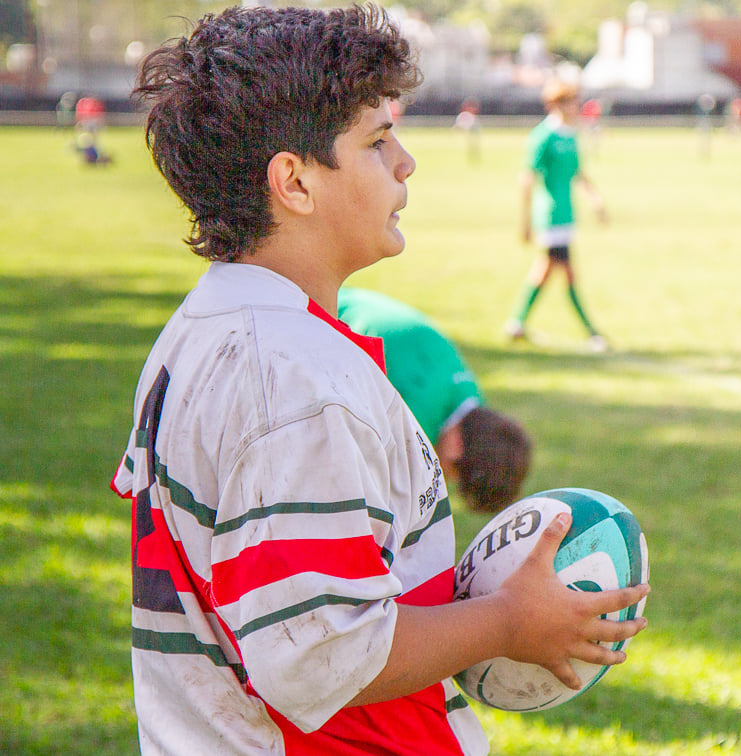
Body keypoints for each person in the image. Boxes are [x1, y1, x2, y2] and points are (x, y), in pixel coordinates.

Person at [110, 7, 648, 755]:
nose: (406, 163)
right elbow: (321, 655)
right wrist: (506, 622)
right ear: (294, 182)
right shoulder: (291, 382)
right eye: (376, 140)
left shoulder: (216, 328)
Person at [337, 286, 531, 514]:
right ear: (457, 448)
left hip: (347, 297)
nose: (444, 477)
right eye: (452, 472)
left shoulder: (471, 398)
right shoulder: (417, 421)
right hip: (317, 311)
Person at [505, 78, 609, 352]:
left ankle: (516, 324)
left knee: (545, 271)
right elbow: (527, 178)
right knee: (568, 272)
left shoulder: (570, 135)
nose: (576, 106)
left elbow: (577, 173)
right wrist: (526, 222)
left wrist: (596, 200)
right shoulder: (544, 136)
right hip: (549, 215)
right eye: (572, 101)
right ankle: (592, 332)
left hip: (567, 214)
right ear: (557, 104)